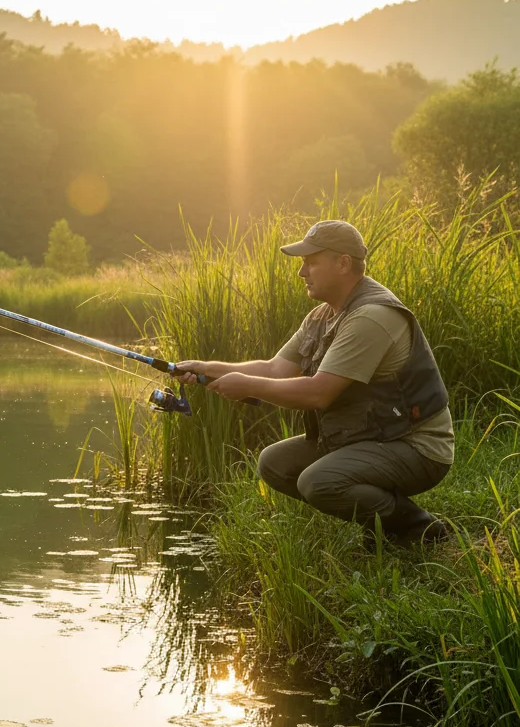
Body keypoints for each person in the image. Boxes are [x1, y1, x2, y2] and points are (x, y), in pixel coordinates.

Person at [176, 219, 453, 544]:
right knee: (275, 463)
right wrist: (206, 367)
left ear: (343, 263)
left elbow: (319, 393)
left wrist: (247, 386)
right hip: (374, 436)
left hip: (415, 446)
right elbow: (275, 368)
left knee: (318, 482)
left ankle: (418, 529)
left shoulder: (371, 316)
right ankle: (381, 521)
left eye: (311, 262)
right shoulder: (324, 314)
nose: (301, 272)